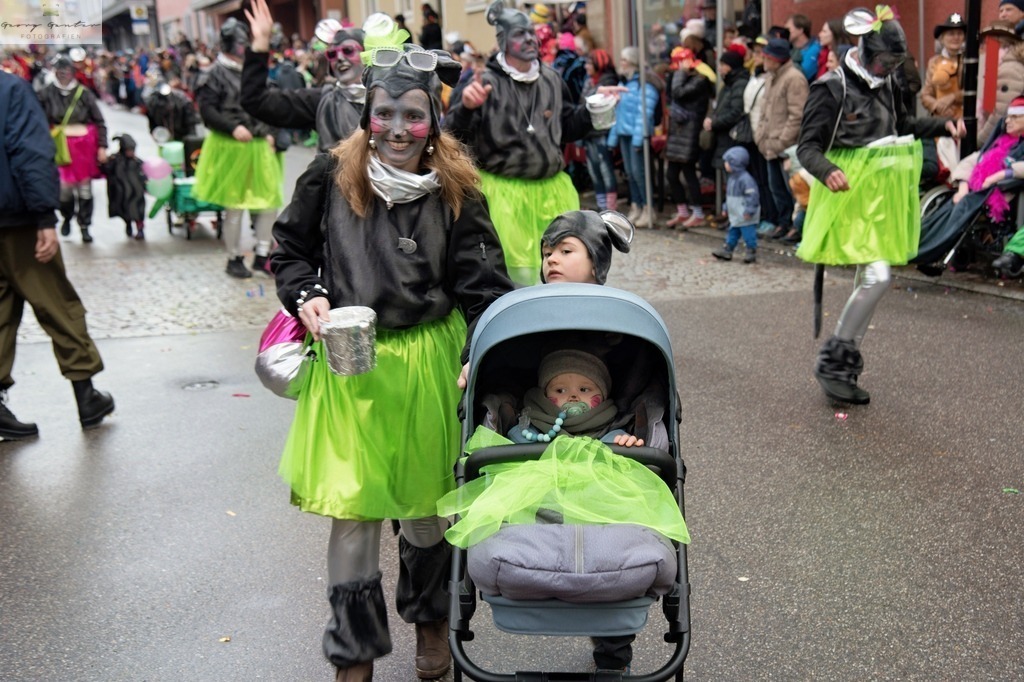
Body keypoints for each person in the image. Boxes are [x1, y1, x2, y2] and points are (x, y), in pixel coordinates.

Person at [269, 42, 515, 681]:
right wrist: (308, 295)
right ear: (365, 115)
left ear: (433, 119)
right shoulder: (329, 175)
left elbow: (484, 285)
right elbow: (289, 249)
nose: (398, 130)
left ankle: (430, 622)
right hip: (352, 366)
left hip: (426, 362)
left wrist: (477, 354)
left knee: (426, 510)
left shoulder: (457, 188)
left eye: (413, 116)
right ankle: (353, 649)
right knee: (353, 513)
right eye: (384, 114)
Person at [795, 5, 964, 405]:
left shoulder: (888, 82)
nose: (890, 68)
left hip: (882, 195)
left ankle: (844, 360)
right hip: (848, 193)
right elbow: (807, 147)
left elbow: (902, 126)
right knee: (878, 277)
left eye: (895, 61)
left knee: (868, 280)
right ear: (867, 48)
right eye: (886, 60)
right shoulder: (830, 88)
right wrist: (827, 170)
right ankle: (834, 359)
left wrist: (943, 124)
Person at [445, 0, 620, 285]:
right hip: (505, 196)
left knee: (565, 273)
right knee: (518, 276)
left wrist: (594, 108)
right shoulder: (482, 81)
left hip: (553, 191)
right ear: (502, 41)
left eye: (530, 32)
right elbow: (452, 139)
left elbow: (566, 128)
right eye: (518, 34)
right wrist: (465, 108)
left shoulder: (552, 79)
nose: (529, 38)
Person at [0, 71, 115, 441]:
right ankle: (86, 396)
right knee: (56, 303)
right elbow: (30, 151)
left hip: (12, 211)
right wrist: (45, 215)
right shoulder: (10, 89)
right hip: (16, 219)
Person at [193, 17, 285, 279]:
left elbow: (267, 104)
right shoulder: (214, 74)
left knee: (268, 204)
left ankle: (263, 254)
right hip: (230, 147)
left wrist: (269, 133)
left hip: (258, 146)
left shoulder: (253, 70)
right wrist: (231, 127)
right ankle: (233, 257)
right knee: (234, 207)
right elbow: (207, 110)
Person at [243, 0, 366, 153]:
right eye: (332, 53)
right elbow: (256, 101)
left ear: (367, 55)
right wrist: (260, 44)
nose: (339, 58)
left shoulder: (388, 95)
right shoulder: (325, 101)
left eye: (348, 50)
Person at [508, 349, 644, 447]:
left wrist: (624, 443)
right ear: (544, 396)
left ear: (603, 396)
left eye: (584, 389)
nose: (573, 396)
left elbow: (619, 443)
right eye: (560, 390)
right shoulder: (529, 430)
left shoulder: (613, 433)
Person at [37, 55, 108, 244]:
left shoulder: (84, 93)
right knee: (64, 191)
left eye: (67, 71)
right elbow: (40, 123)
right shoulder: (46, 94)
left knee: (85, 190)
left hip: (84, 148)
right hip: (59, 147)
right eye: (60, 71)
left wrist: (102, 146)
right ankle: (67, 216)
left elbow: (99, 121)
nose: (63, 75)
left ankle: (85, 225)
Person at [754, 37, 808, 242]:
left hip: (785, 146)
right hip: (769, 143)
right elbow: (764, 110)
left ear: (776, 59)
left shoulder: (794, 78)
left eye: (766, 57)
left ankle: (796, 227)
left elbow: (797, 115)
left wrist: (782, 141)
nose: (763, 61)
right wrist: (760, 136)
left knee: (792, 189)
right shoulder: (771, 77)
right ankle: (783, 223)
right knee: (776, 188)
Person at [609, 46, 662, 229]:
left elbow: (644, 114)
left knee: (640, 174)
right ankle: (636, 206)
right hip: (624, 134)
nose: (621, 64)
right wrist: (613, 138)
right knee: (631, 175)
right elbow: (619, 112)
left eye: (624, 60)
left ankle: (648, 209)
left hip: (636, 136)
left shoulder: (645, 84)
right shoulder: (626, 84)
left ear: (633, 62)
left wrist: (640, 139)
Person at [664, 46, 716, 229]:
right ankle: (683, 211)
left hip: (689, 133)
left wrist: (680, 74)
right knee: (671, 174)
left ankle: (698, 212)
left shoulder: (699, 81)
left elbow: (678, 92)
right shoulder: (685, 77)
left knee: (689, 173)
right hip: (678, 133)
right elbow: (671, 94)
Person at [579, 50, 620, 211]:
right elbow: (582, 103)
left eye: (589, 63)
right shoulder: (589, 81)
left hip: (602, 132)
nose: (586, 66)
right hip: (589, 132)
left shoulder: (607, 82)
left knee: (605, 170)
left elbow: (595, 104)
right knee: (594, 171)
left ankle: (609, 210)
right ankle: (601, 207)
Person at [711, 146, 761, 263]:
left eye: (727, 162)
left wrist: (750, 210)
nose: (725, 164)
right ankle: (728, 249)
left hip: (744, 213)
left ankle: (751, 250)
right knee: (732, 232)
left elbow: (752, 196)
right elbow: (729, 196)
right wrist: (726, 207)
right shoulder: (732, 178)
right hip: (736, 214)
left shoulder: (745, 179)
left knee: (749, 234)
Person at [101, 134, 147, 240]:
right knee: (125, 210)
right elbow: (106, 170)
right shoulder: (115, 160)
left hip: (136, 193)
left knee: (138, 211)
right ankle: (128, 224)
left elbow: (144, 175)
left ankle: (140, 229)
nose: (131, 152)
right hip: (122, 193)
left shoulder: (137, 162)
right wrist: (103, 163)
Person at [921, 13, 965, 119]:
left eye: (959, 33)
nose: (956, 37)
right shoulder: (934, 62)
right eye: (951, 34)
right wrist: (938, 107)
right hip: (940, 119)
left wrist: (953, 97)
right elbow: (925, 95)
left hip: (964, 117)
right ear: (942, 39)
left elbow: (975, 91)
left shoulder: (969, 60)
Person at [785, 14, 821, 82]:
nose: (785, 32)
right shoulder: (789, 49)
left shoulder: (814, 49)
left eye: (788, 29)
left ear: (800, 30)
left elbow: (803, 74)